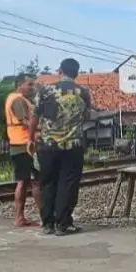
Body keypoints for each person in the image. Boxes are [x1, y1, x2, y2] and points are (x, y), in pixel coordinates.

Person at [29, 58, 93, 236]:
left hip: (48, 145)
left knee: (48, 182)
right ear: (76, 74)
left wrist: (30, 139)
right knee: (68, 184)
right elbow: (87, 116)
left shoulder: (45, 91)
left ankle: (47, 223)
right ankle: (63, 223)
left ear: (60, 71)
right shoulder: (83, 93)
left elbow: (34, 116)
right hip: (73, 145)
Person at [5, 74, 41, 227]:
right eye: (29, 84)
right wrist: (42, 129)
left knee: (23, 181)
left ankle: (20, 217)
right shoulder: (18, 100)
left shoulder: (13, 98)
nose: (32, 88)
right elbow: (26, 121)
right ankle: (44, 216)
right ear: (20, 85)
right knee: (37, 181)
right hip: (25, 145)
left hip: (18, 144)